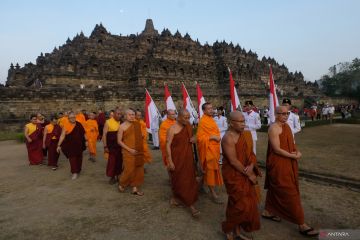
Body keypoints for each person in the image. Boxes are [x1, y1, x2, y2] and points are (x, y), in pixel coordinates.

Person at [263, 106, 318, 237]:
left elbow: (291, 143)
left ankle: (268, 211)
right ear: (276, 114)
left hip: (288, 160)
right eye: (282, 114)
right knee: (289, 191)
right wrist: (293, 156)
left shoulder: (286, 126)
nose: (286, 116)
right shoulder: (274, 128)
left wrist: (296, 151)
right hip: (278, 162)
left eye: (287, 113)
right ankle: (301, 223)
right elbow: (276, 149)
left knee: (276, 188)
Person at [221, 111, 261, 240]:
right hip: (234, 174)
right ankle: (228, 228)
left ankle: (237, 231)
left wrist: (251, 164)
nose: (243, 124)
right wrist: (249, 174)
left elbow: (250, 154)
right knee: (240, 204)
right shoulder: (228, 137)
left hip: (245, 170)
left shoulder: (246, 135)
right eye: (240, 122)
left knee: (239, 203)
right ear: (231, 123)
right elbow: (233, 161)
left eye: (244, 121)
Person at [166, 109, 200, 218]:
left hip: (188, 157)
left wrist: (195, 138)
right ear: (179, 117)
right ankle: (191, 206)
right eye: (185, 117)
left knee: (188, 179)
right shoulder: (172, 129)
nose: (187, 119)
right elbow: (167, 146)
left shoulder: (188, 125)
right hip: (177, 158)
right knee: (179, 179)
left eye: (188, 117)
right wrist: (170, 161)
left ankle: (178, 199)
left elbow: (194, 135)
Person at [197, 102, 223, 204]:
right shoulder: (203, 121)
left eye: (212, 108)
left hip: (214, 148)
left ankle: (198, 184)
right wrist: (212, 137)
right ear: (204, 111)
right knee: (210, 170)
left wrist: (216, 137)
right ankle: (213, 194)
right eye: (209, 109)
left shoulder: (211, 120)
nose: (211, 110)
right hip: (208, 150)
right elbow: (200, 138)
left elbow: (216, 132)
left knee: (207, 170)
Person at [117, 109, 145, 196]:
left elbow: (139, 136)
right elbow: (119, 141)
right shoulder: (122, 126)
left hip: (138, 151)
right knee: (129, 170)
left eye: (133, 114)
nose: (132, 116)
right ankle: (122, 183)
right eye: (130, 115)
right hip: (128, 151)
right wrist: (130, 150)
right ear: (125, 116)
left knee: (138, 169)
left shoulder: (137, 124)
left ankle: (135, 188)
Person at [57, 111, 87, 180]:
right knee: (72, 159)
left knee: (79, 158)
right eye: (71, 118)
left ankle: (78, 170)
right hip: (70, 145)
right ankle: (74, 172)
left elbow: (84, 133)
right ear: (68, 118)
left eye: (74, 117)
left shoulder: (79, 124)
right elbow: (62, 136)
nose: (73, 119)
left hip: (79, 144)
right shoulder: (66, 125)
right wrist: (59, 145)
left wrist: (87, 141)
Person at [103, 108, 122, 184]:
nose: (119, 115)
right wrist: (105, 146)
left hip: (120, 146)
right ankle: (112, 176)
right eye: (118, 114)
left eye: (120, 114)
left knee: (120, 161)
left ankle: (118, 175)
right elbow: (104, 134)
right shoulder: (108, 122)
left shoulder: (122, 122)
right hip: (112, 146)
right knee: (112, 162)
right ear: (113, 114)